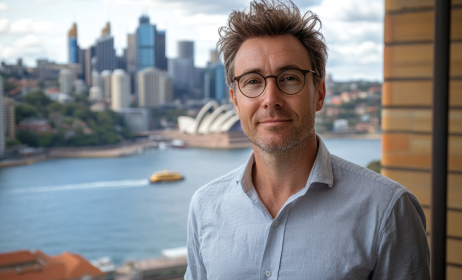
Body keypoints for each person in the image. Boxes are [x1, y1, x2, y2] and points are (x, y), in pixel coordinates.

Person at [184, 0, 430, 279]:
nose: (270, 99)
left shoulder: (387, 209)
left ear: (320, 93)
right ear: (235, 101)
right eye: (252, 81)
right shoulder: (205, 206)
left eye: (289, 78)